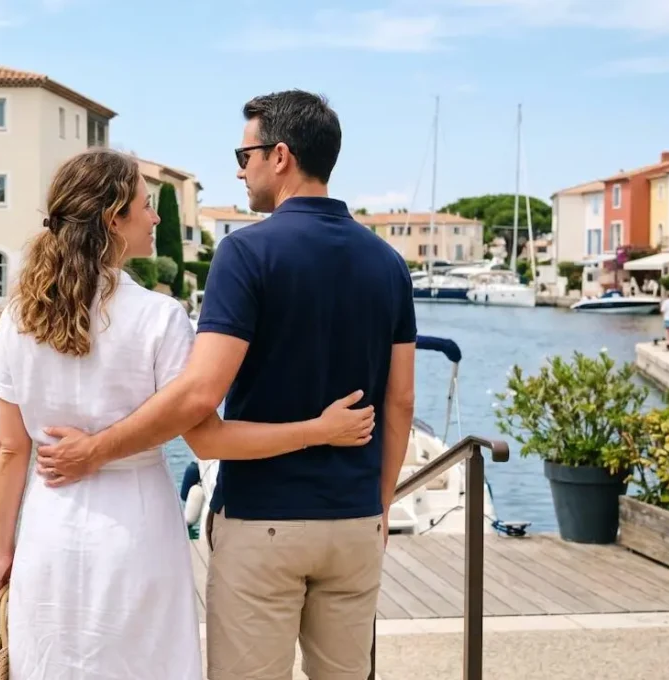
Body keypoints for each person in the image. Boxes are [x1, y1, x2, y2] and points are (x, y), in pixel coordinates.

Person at [33, 90, 416, 680]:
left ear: (280, 155)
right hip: (355, 523)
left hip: (264, 521)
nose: (239, 170)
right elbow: (401, 400)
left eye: (245, 155)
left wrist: (95, 450)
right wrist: (379, 505)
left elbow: (198, 398)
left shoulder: (246, 253)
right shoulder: (388, 263)